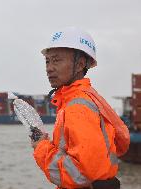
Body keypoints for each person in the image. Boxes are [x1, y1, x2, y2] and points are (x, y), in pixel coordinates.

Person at [31, 27, 130, 189]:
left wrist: (41, 147)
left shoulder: (77, 107)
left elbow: (80, 175)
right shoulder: (86, 98)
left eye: (56, 60)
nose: (49, 68)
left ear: (80, 64)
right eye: (47, 61)